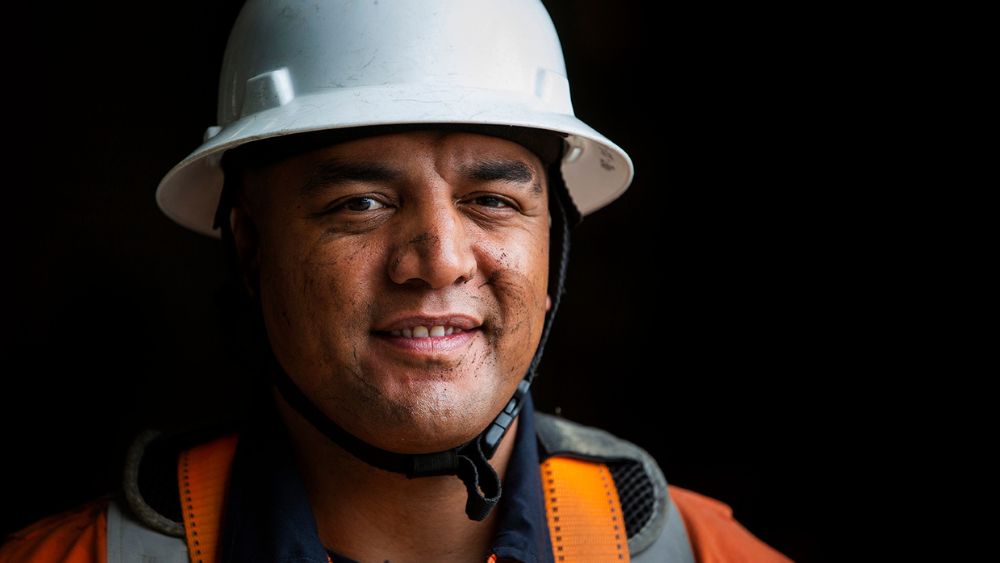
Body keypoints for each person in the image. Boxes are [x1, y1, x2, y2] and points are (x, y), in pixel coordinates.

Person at [2, 1, 793, 561]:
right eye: (361, 203)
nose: (440, 259)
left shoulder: (706, 554)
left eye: (492, 201)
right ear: (250, 249)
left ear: (554, 247)